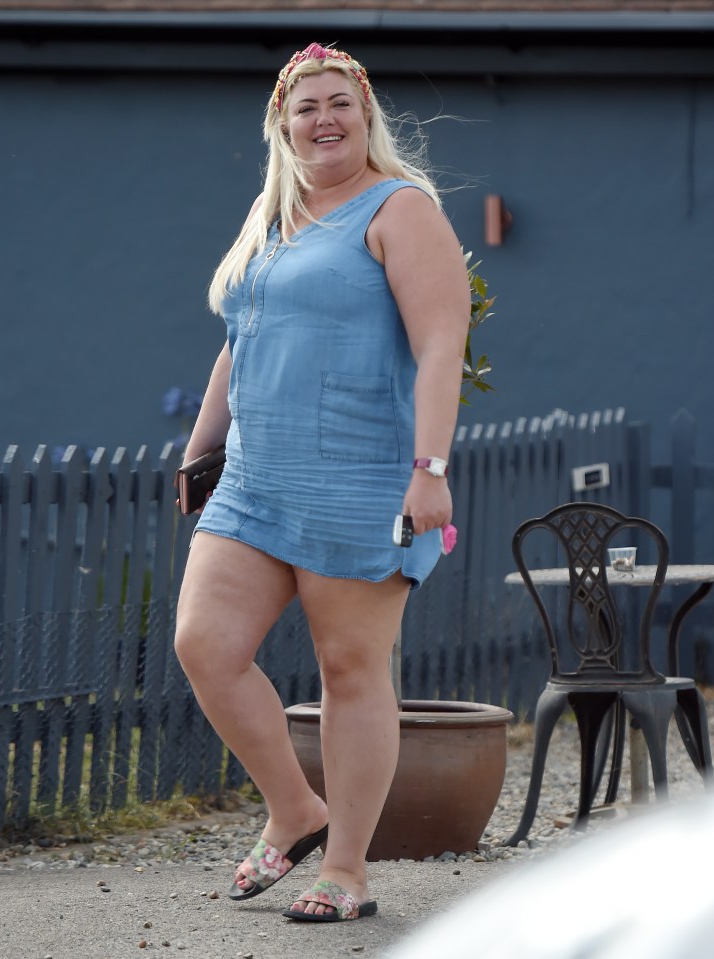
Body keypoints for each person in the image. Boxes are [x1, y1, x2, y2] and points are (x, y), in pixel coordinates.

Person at [173, 42, 472, 923]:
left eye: (340, 103)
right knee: (205, 644)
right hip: (256, 480)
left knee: (350, 671)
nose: (324, 120)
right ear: (282, 125)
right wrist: (203, 447)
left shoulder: (398, 208)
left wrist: (430, 471)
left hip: (362, 479)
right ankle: (296, 806)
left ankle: (345, 870)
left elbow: (440, 345)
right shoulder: (274, 215)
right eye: (306, 108)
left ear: (366, 115)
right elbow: (242, 336)